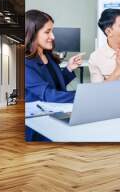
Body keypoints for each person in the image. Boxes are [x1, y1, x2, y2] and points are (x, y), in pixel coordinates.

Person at [25, 9, 82, 141]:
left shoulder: (47, 55)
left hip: (56, 115)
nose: (53, 36)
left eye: (52, 31)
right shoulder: (25, 63)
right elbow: (48, 94)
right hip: (39, 126)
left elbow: (54, 84)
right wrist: (84, 96)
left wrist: (68, 69)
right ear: (32, 34)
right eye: (47, 32)